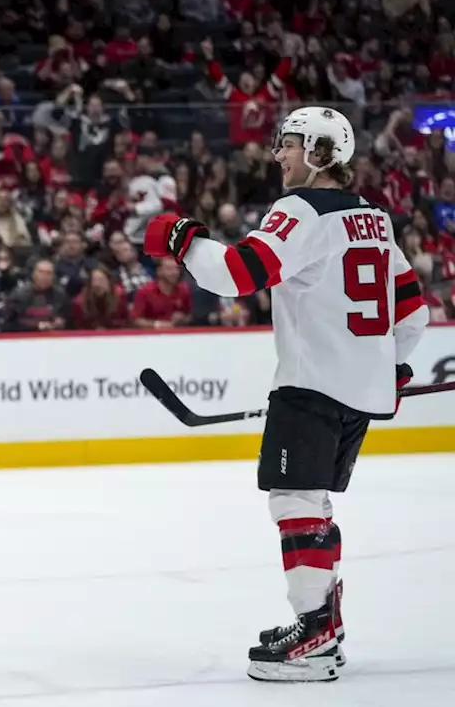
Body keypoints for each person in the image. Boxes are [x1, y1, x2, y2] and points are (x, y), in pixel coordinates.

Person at [144, 106, 430, 682]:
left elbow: (236, 274)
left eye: (291, 144)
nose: (278, 153)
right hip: (354, 393)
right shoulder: (373, 216)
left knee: (294, 500)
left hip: (312, 386)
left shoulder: (300, 210)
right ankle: (323, 620)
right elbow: (413, 311)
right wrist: (391, 372)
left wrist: (183, 237)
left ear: (323, 152)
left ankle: (315, 635)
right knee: (312, 500)